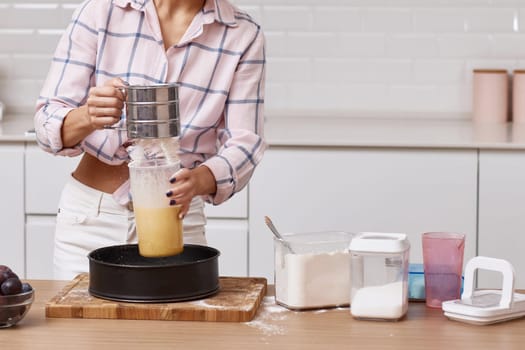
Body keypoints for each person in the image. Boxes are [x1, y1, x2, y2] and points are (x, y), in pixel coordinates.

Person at [34, 0, 266, 280]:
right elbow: (46, 124)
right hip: (89, 222)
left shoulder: (242, 33)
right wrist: (88, 115)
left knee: (174, 324)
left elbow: (245, 143)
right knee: (82, 324)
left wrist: (201, 179)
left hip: (177, 219)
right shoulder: (100, 11)